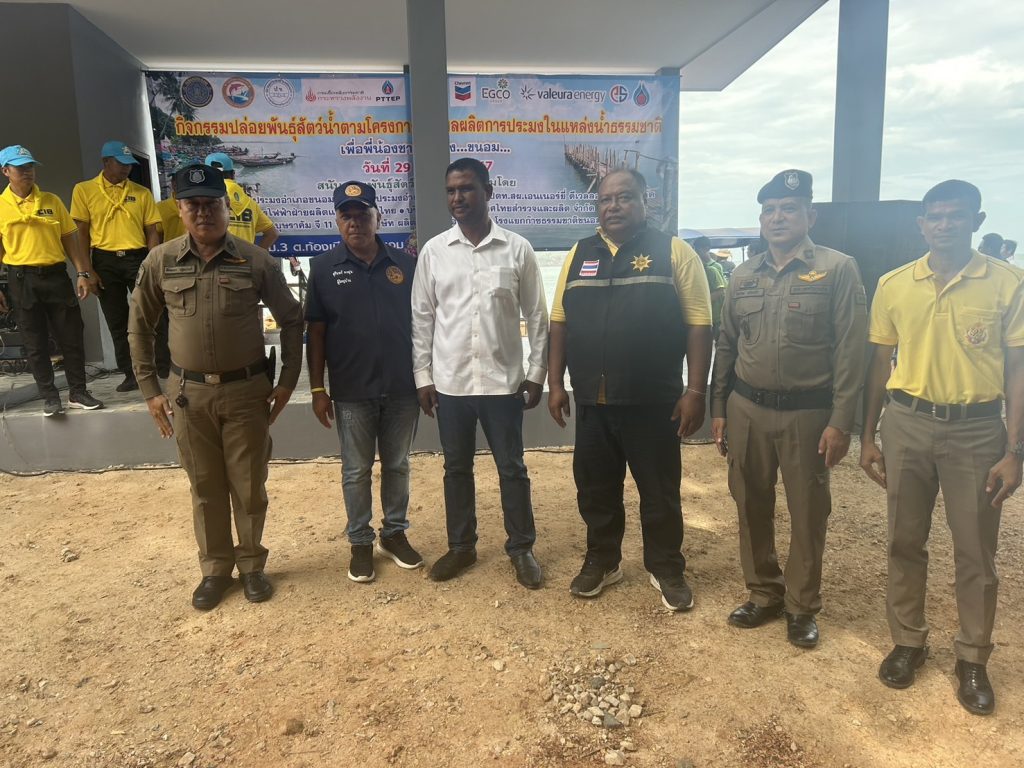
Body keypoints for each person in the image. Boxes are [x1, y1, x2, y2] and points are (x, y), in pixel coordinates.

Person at [860, 180, 1024, 716]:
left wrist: (1015, 450)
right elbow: (878, 365)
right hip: (907, 424)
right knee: (904, 541)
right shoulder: (894, 284)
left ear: (977, 221)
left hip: (978, 431)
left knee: (975, 551)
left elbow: (1018, 369)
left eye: (956, 215)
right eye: (935, 216)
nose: (945, 224)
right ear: (922, 224)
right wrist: (868, 435)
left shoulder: (1008, 283)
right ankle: (908, 641)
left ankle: (972, 658)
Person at [128, 163, 303, 611]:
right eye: (194, 205)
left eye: (212, 204)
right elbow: (139, 326)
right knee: (205, 487)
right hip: (188, 396)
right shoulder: (160, 261)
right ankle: (215, 570)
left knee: (248, 485)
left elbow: (292, 320)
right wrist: (150, 389)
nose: (203, 213)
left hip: (246, 393)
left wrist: (287, 381)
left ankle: (252, 566)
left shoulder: (256, 260)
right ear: (180, 210)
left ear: (228, 208)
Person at [711, 169, 867, 648]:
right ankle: (763, 592)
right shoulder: (743, 275)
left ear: (809, 216)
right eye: (769, 210)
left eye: (788, 209)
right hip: (747, 408)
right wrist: (719, 408)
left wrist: (841, 421)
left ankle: (801, 605)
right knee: (750, 503)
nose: (777, 218)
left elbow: (851, 351)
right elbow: (727, 344)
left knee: (808, 511)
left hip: (808, 414)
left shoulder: (838, 269)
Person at [548, 168, 713, 611]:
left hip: (653, 401)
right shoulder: (579, 253)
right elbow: (559, 322)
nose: (613, 206)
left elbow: (700, 325)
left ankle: (666, 566)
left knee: (659, 491)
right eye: (605, 199)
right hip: (593, 402)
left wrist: (696, 391)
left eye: (624, 197)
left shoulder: (673, 251)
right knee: (595, 488)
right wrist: (555, 384)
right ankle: (603, 561)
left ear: (645, 202)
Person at [410, 158, 549, 589]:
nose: (458, 198)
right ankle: (461, 547)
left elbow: (537, 315)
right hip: (450, 383)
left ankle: (521, 548)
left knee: (512, 468)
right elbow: (422, 319)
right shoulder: (434, 252)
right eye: (451, 191)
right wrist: (423, 377)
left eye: (467, 189)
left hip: (503, 383)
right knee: (456, 468)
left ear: (488, 192)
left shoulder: (517, 249)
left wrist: (537, 372)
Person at [305, 181, 422, 583]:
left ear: (378, 217)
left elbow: (424, 324)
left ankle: (394, 534)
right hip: (352, 391)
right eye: (346, 215)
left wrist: (427, 379)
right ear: (337, 221)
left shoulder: (405, 265)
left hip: (403, 387)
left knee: (398, 465)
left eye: (362, 214)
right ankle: (360, 542)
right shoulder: (323, 268)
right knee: (356, 470)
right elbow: (316, 332)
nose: (355, 222)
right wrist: (317, 389)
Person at [0, 145, 104, 415]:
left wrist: (82, 273)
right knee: (34, 341)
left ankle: (78, 392)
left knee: (71, 336)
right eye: (20, 168)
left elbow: (69, 239)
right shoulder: (1, 206)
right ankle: (49, 396)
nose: (27, 172)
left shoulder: (51, 201)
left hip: (56, 276)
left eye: (30, 167)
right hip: (21, 279)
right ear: (6, 171)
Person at [71, 140, 166, 391]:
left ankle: (163, 366)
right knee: (117, 319)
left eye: (129, 165)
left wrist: (153, 263)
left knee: (152, 313)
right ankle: (130, 373)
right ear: (106, 162)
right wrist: (87, 271)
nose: (126, 169)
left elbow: (152, 231)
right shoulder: (84, 190)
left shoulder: (141, 192)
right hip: (104, 261)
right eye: (121, 164)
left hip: (138, 258)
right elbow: (82, 234)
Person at [692, 236, 726, 338]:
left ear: (706, 249)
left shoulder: (713, 268)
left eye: (697, 250)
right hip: (706, 315)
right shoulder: (698, 268)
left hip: (716, 314)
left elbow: (721, 291)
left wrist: (702, 303)